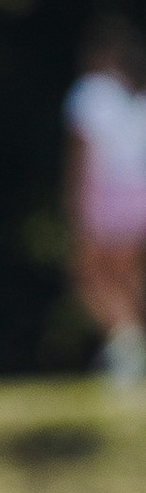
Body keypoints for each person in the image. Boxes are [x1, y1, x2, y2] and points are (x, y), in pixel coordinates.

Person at [65, 23, 146, 387]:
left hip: (105, 192)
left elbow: (81, 152)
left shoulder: (91, 92)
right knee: (125, 276)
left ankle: (126, 345)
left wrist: (73, 198)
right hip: (138, 193)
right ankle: (128, 346)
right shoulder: (136, 97)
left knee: (90, 273)